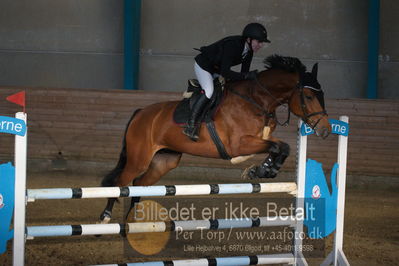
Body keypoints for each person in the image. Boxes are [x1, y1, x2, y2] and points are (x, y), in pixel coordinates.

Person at [183, 22, 271, 141]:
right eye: (259, 41)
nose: (260, 45)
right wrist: (246, 76)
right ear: (249, 39)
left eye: (262, 43)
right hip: (204, 65)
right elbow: (226, 72)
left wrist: (250, 79)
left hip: (216, 69)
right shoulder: (233, 45)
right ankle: (191, 125)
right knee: (209, 91)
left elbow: (243, 73)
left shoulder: (248, 51)